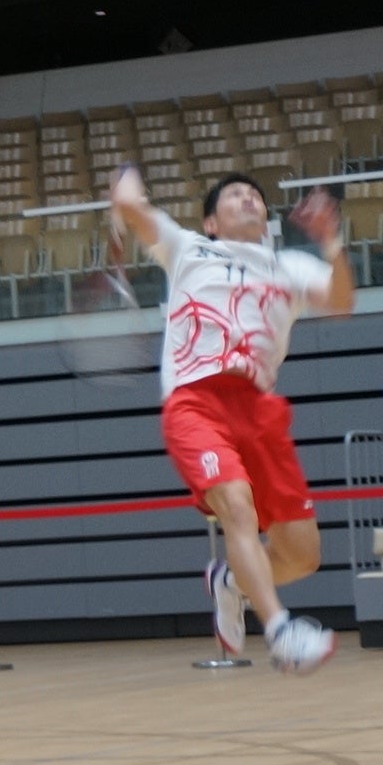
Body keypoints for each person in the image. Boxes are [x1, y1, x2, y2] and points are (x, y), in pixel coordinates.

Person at [106, 166, 352, 674]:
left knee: (302, 555)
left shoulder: (289, 267)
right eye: (234, 195)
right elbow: (132, 205)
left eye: (254, 195)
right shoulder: (186, 248)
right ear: (211, 222)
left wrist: (332, 243)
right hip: (195, 403)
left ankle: (231, 582)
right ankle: (281, 632)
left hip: (259, 411)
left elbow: (342, 303)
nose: (247, 199)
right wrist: (126, 179)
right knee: (236, 507)